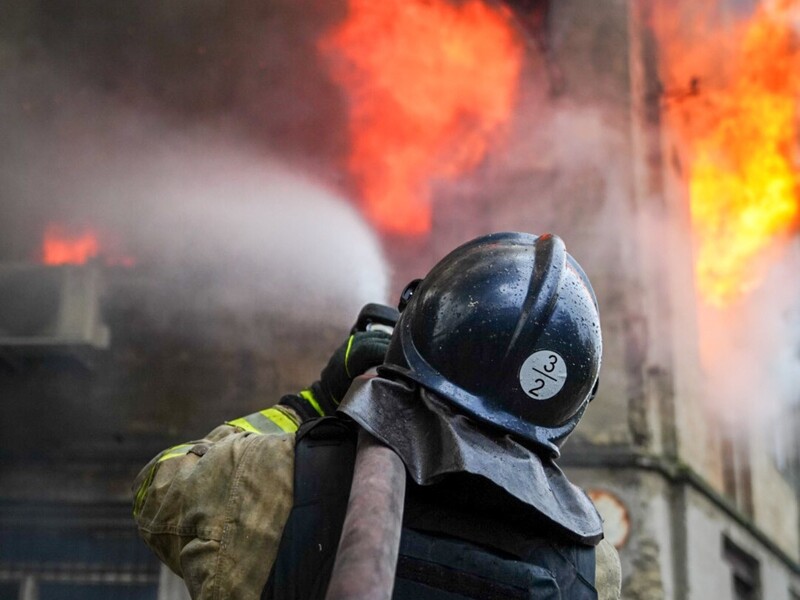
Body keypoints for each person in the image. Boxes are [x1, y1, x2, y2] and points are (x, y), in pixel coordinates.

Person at [133, 231, 621, 599]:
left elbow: (161, 490)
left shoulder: (276, 482)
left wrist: (315, 404)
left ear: (419, 334)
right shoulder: (592, 565)